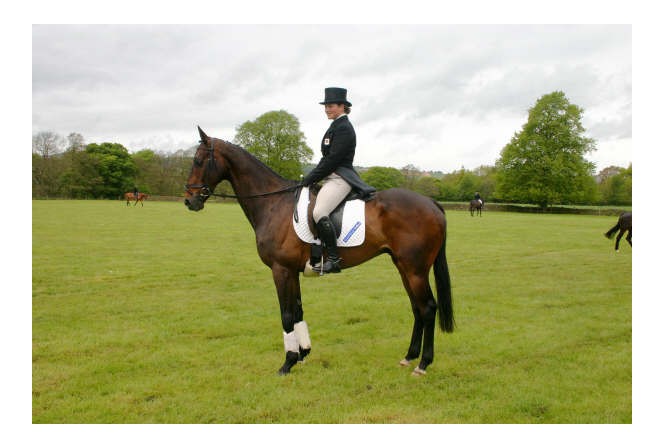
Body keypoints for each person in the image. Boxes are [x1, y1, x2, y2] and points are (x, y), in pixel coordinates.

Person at [302, 87, 374, 274]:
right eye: (325, 106)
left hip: (340, 178)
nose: (327, 109)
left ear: (342, 106)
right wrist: (311, 178)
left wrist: (310, 178)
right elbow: (326, 158)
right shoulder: (335, 126)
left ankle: (334, 259)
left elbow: (332, 160)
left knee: (319, 212)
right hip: (331, 178)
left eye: (331, 106)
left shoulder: (344, 128)